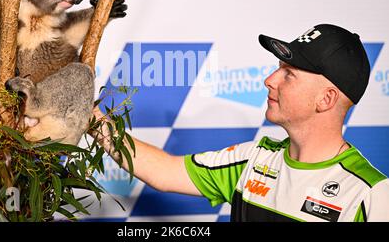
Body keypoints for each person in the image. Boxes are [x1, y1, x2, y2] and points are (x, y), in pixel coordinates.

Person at [92, 23, 389, 222]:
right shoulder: (253, 159)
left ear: (325, 99)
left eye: (289, 74)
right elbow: (166, 172)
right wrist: (88, 117)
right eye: (278, 69)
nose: (269, 80)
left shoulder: (371, 193)